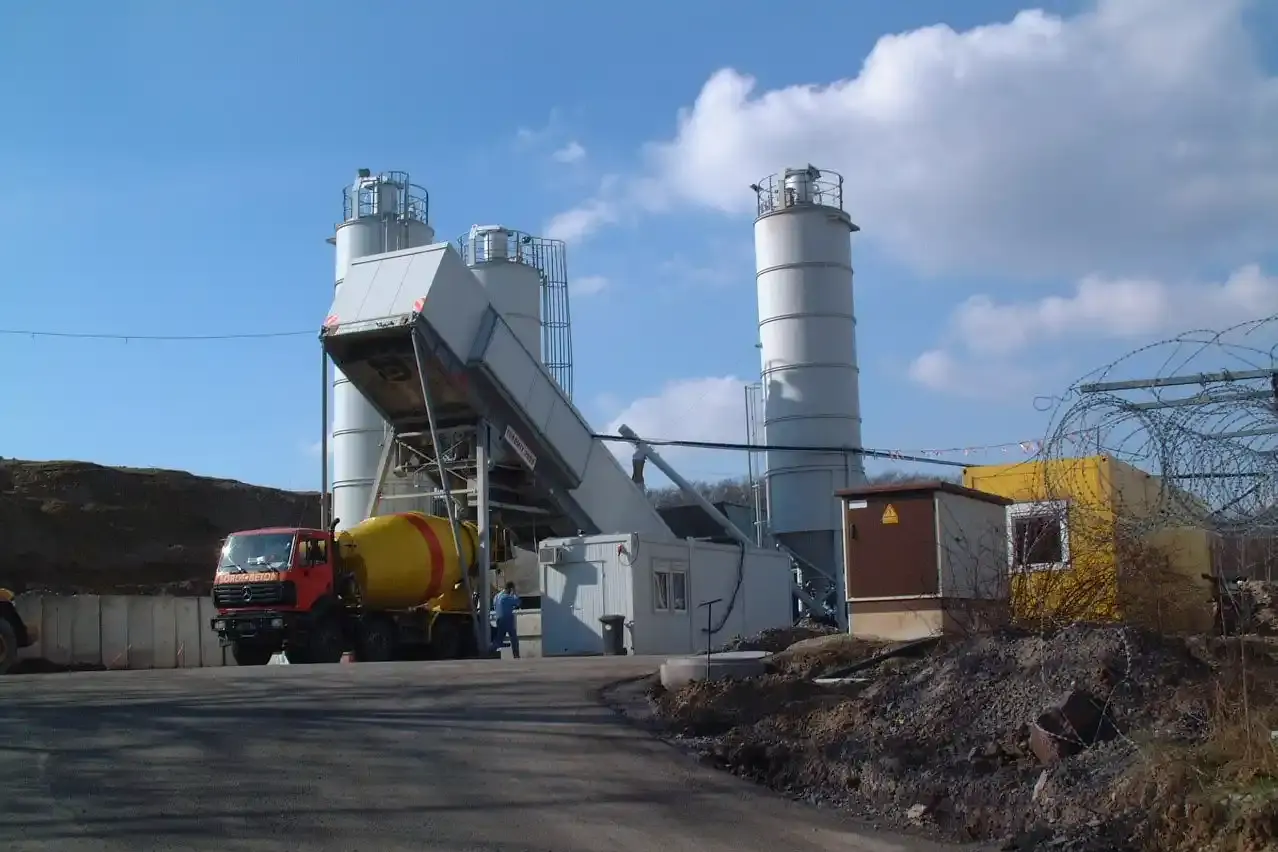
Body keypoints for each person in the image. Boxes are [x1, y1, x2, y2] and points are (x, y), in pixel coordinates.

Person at [490, 581, 521, 659]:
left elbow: (494, 606)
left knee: (499, 639)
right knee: (514, 638)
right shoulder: (506, 597)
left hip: (499, 620)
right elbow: (518, 602)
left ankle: (490, 651)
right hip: (508, 620)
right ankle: (516, 654)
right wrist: (515, 593)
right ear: (510, 589)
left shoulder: (497, 596)